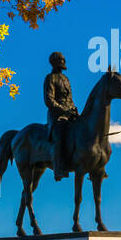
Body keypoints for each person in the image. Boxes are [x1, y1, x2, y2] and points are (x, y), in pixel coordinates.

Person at [44, 51, 78, 181]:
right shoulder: (50, 78)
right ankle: (58, 169)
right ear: (55, 62)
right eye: (62, 60)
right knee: (59, 137)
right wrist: (64, 110)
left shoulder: (66, 79)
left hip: (70, 113)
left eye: (64, 59)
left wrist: (74, 111)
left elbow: (69, 98)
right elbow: (49, 100)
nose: (64, 62)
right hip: (56, 116)